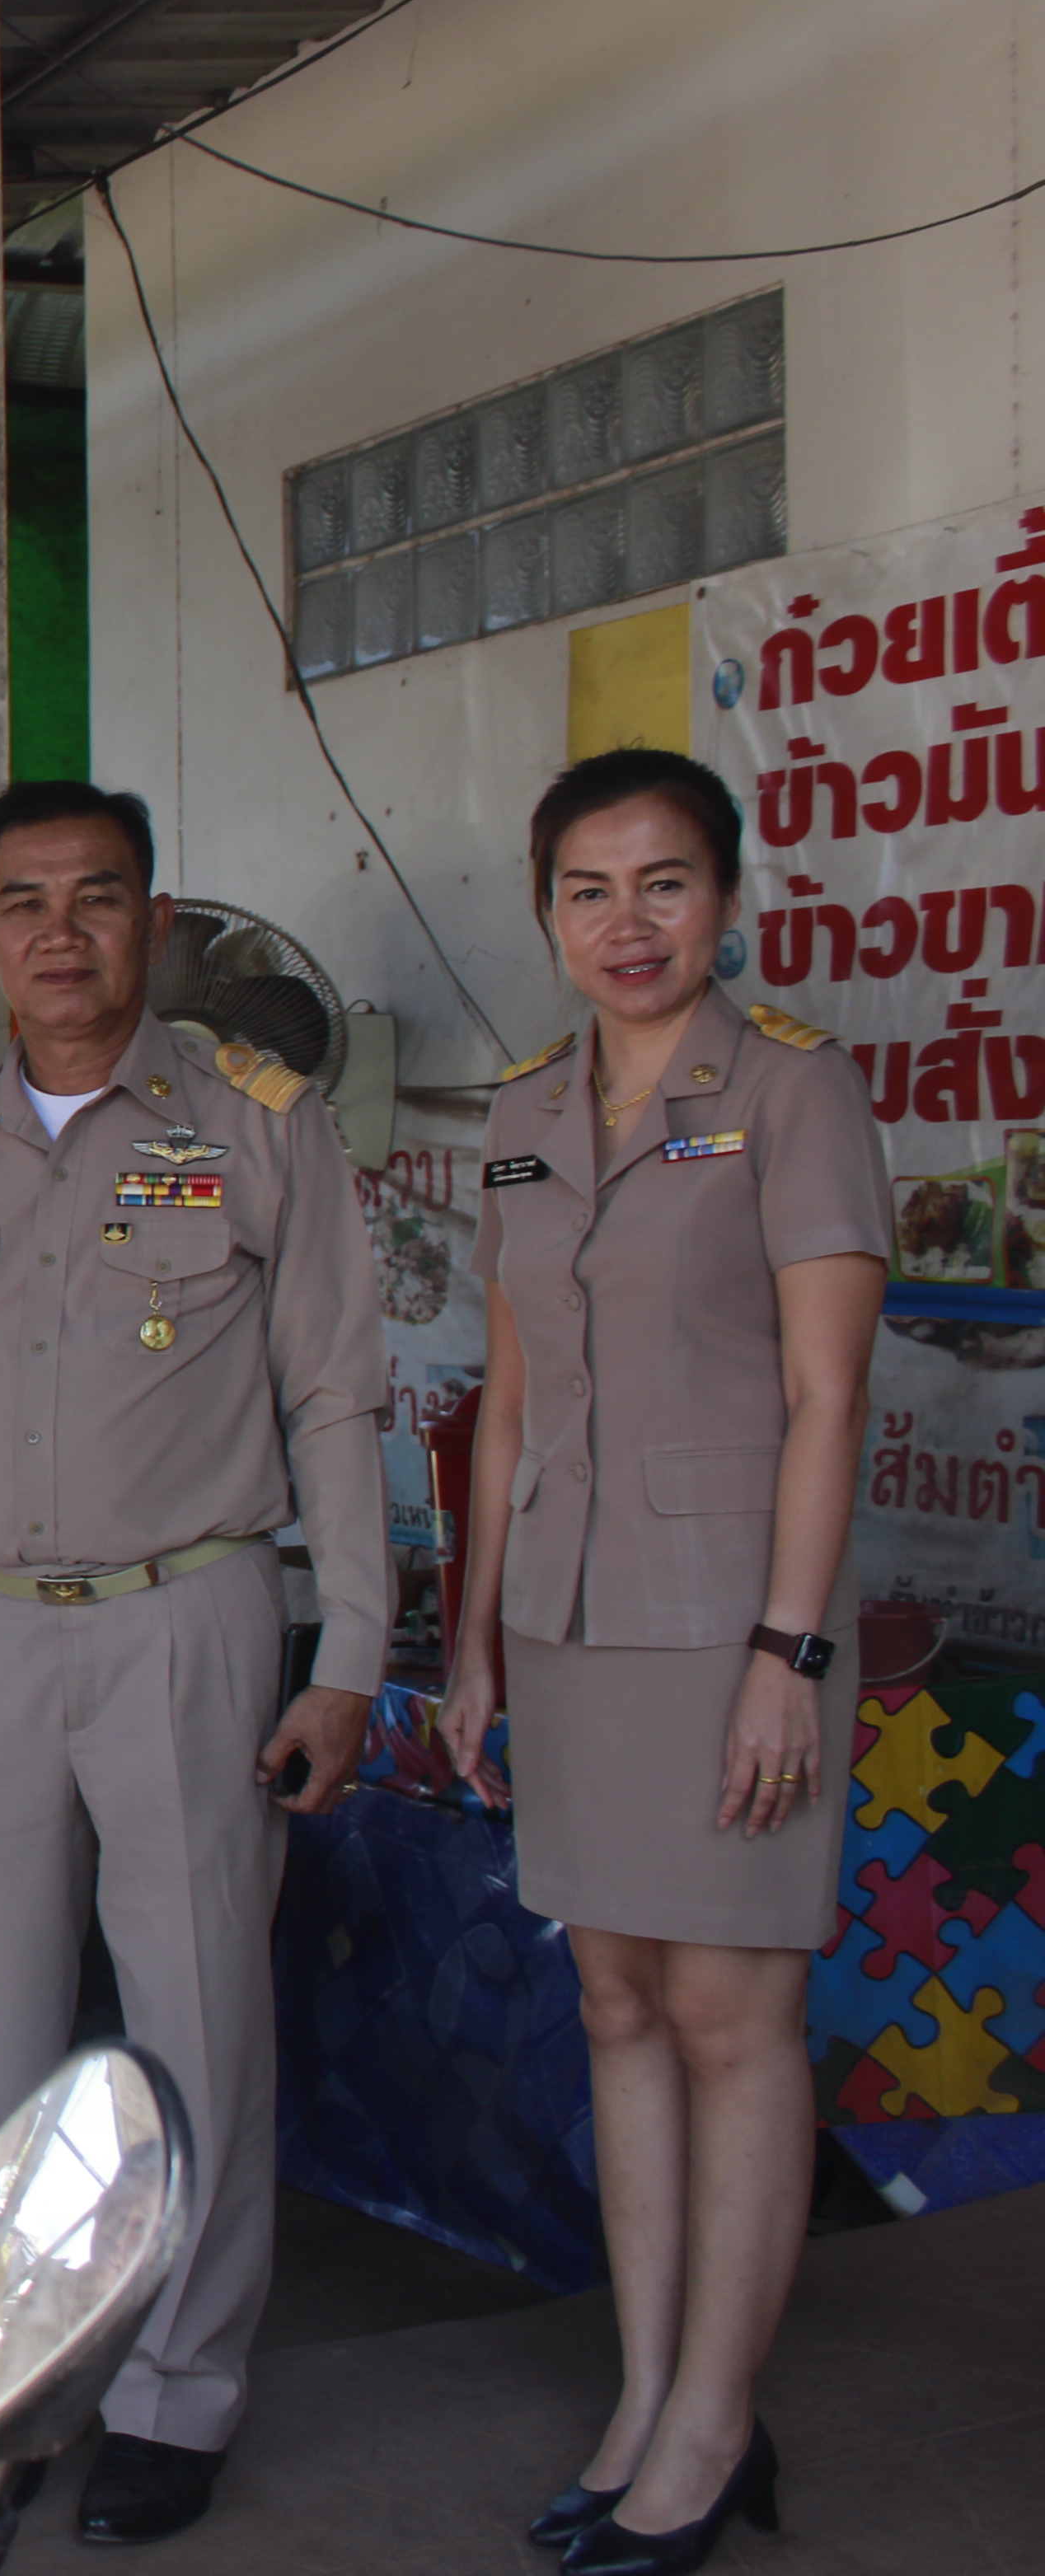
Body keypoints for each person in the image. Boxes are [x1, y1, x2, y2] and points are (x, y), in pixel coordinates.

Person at [0, 781, 386, 2550]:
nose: (59, 933)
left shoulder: (259, 1125)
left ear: (154, 924)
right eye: (24, 903)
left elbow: (334, 1397)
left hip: (190, 1621)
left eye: (98, 898)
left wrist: (350, 1654)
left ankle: (176, 2395)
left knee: (195, 2031)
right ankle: (3, 2390)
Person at [439, 750, 880, 2576]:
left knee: (730, 2016)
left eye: (668, 883)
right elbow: (516, 1393)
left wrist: (789, 1650)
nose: (632, 925)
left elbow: (827, 1393)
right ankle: (646, 2392)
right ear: (547, 913)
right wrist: (470, 1644)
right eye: (592, 892)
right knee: (616, 2005)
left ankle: (714, 2420)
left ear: (729, 894)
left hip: (730, 1625)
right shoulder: (526, 1113)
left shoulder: (794, 1091)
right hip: (564, 1617)